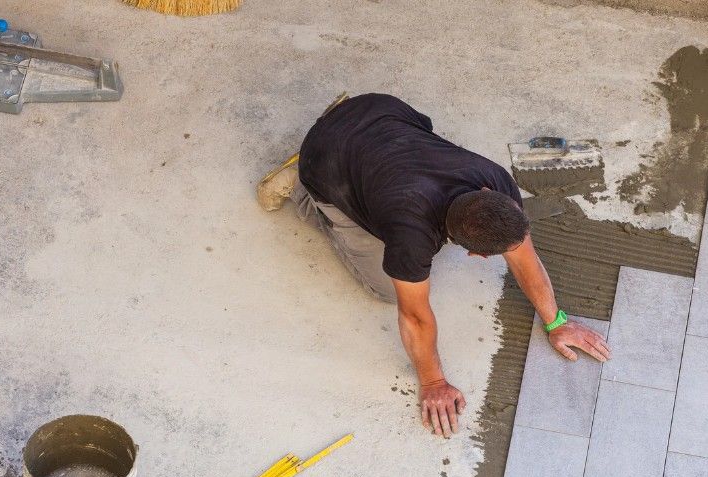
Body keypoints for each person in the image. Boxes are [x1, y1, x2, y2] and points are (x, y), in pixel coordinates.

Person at [258, 93, 611, 438]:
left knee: (398, 176)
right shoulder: (411, 235)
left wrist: (556, 321)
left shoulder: (499, 184)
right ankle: (300, 188)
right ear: (475, 255)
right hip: (325, 157)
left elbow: (525, 259)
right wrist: (433, 382)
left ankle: (342, 124)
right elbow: (414, 316)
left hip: (376, 109)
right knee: (384, 288)